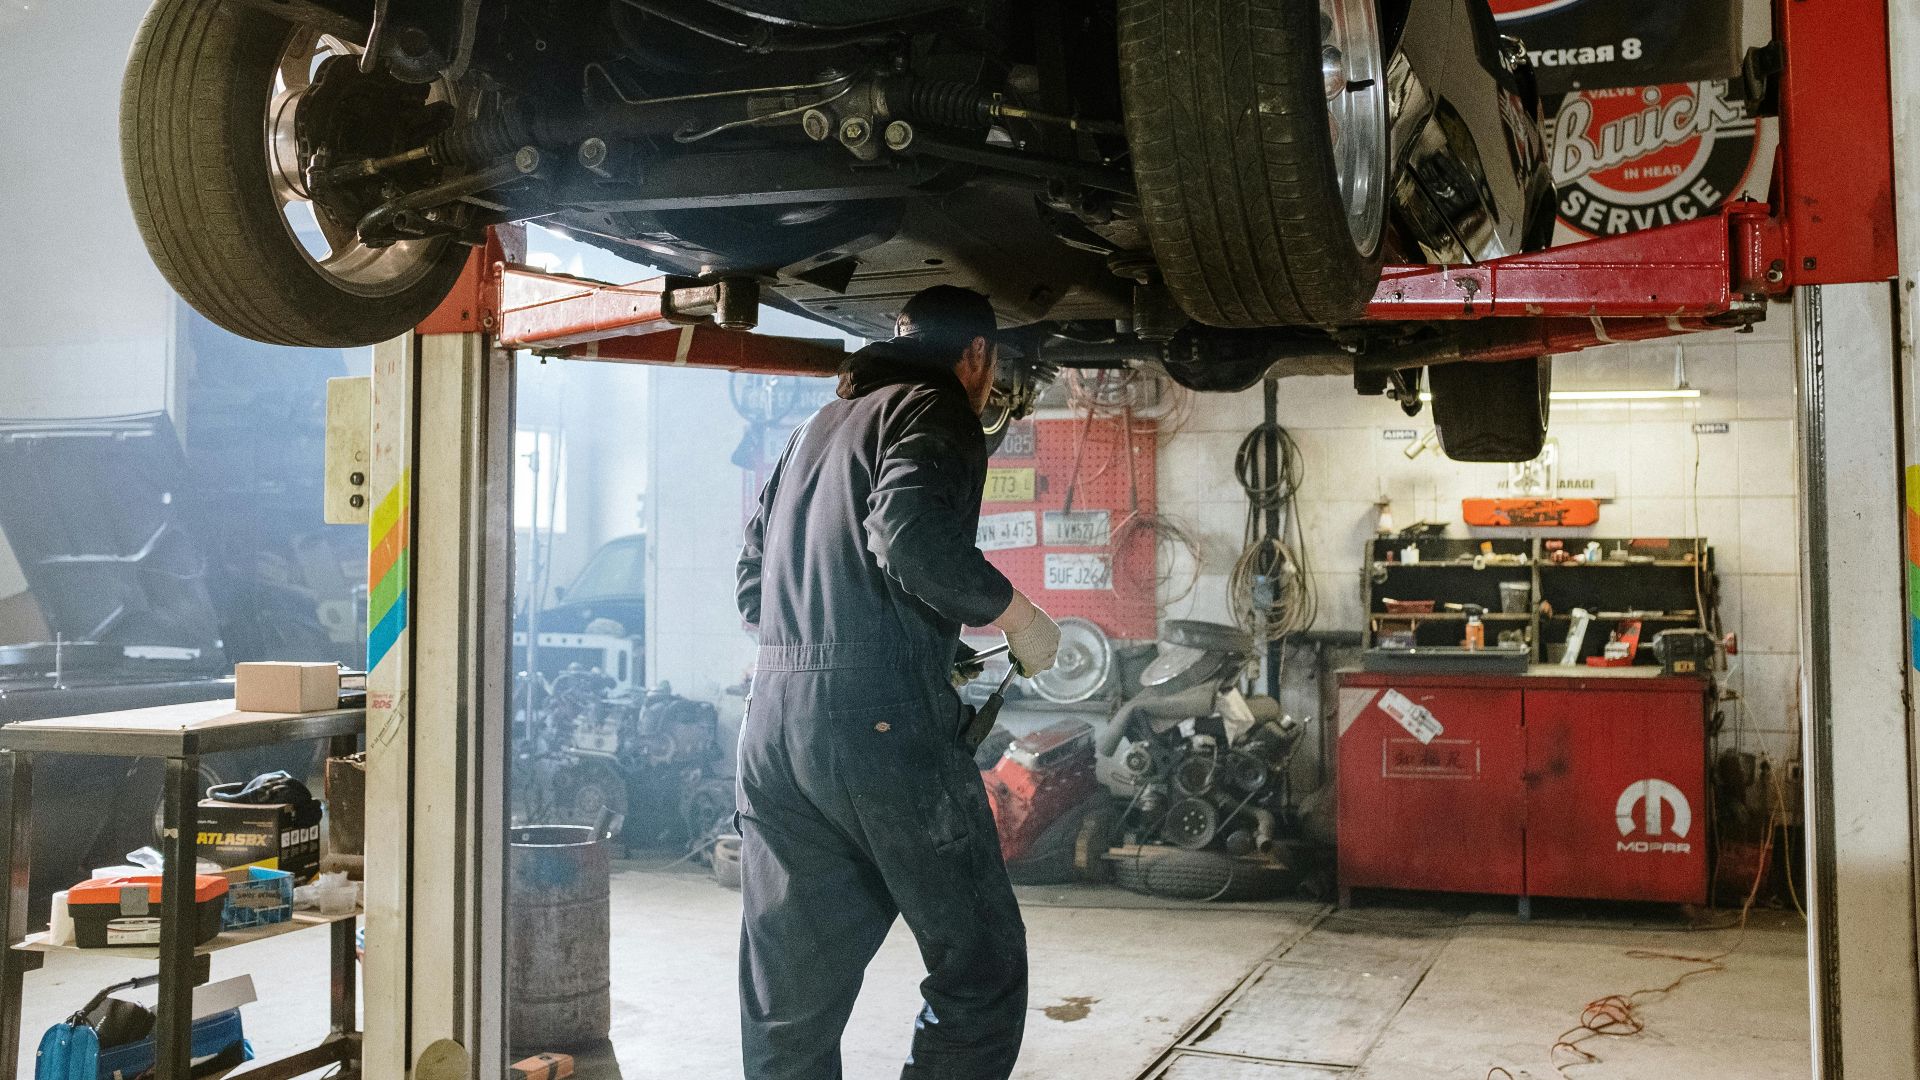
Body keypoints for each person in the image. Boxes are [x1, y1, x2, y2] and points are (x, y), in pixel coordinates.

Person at [734, 284, 1062, 1080]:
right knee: (978, 967)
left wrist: (883, 639)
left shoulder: (812, 429)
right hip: (878, 732)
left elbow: (752, 584)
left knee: (791, 994)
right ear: (977, 356)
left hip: (773, 727)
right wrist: (1015, 615)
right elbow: (908, 537)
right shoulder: (936, 405)